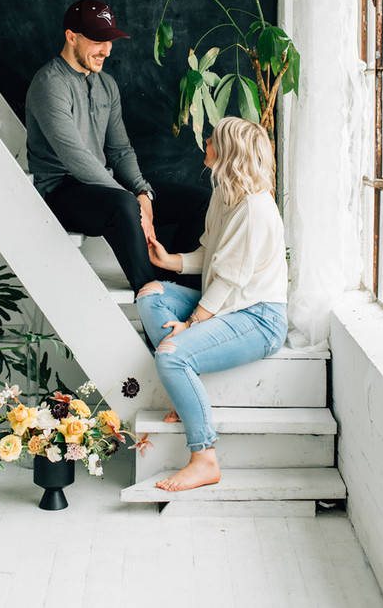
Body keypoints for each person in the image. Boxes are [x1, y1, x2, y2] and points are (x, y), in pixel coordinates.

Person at [136, 117, 288, 492]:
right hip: (226, 302)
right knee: (150, 293)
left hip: (258, 317)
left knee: (171, 355)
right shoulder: (224, 195)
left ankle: (204, 459)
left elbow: (231, 280)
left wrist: (193, 324)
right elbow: (209, 254)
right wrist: (169, 260)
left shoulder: (255, 208)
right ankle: (184, 391)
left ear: (230, 152)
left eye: (214, 138)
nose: (206, 140)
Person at [25, 0, 209, 292]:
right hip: (61, 191)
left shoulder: (106, 85)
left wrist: (143, 192)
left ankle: (178, 291)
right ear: (71, 36)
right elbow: (76, 158)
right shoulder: (49, 83)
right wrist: (134, 203)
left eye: (110, 40)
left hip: (104, 187)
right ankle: (150, 293)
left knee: (200, 201)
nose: (107, 50)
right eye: (98, 40)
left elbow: (120, 150)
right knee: (124, 204)